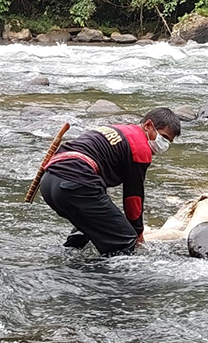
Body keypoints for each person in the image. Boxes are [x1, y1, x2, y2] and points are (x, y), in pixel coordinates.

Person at [39, 107, 181, 256]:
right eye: (163, 137)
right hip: (75, 184)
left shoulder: (117, 130)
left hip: (49, 182)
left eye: (168, 141)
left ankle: (73, 252)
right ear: (148, 126)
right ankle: (109, 279)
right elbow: (134, 197)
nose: (164, 144)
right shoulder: (140, 147)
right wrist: (137, 233)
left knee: (92, 224)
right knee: (124, 241)